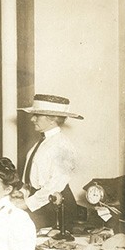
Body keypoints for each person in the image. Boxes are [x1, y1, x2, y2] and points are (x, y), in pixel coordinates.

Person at [16, 94, 83, 229]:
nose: (32, 119)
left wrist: (26, 204)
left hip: (54, 205)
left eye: (37, 115)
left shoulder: (63, 145)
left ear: (52, 120)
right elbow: (34, 176)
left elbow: (54, 185)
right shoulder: (42, 142)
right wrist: (22, 193)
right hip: (39, 200)